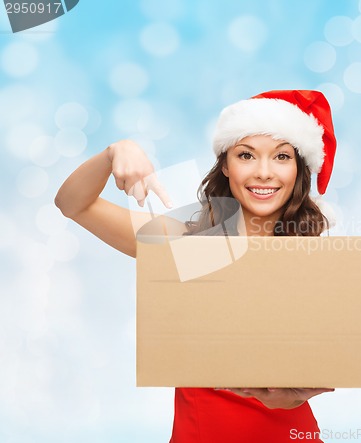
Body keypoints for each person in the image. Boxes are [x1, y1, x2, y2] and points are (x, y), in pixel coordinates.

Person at [55, 89, 338, 442]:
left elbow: (330, 364)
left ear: (298, 170)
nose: (264, 173)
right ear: (225, 164)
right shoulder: (188, 244)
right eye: (246, 155)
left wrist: (298, 392)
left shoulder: (311, 256)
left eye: (281, 157)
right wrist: (115, 151)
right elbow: (72, 204)